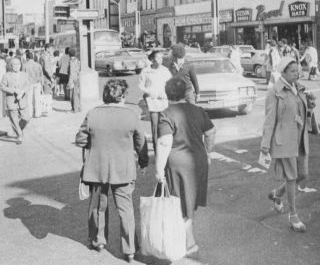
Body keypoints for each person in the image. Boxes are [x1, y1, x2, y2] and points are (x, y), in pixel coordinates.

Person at [75, 79, 149, 263]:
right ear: (122, 96)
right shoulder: (131, 115)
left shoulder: (93, 114)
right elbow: (141, 142)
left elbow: (80, 140)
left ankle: (98, 241)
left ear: (105, 95)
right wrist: (143, 162)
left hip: (97, 168)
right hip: (123, 169)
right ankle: (130, 249)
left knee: (98, 206)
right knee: (125, 209)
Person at [155, 77, 216, 257]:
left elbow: (165, 142)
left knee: (179, 202)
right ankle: (186, 238)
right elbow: (211, 133)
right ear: (185, 93)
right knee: (189, 202)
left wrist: (159, 169)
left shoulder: (166, 113)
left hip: (177, 164)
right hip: (198, 161)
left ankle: (188, 242)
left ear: (167, 94)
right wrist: (208, 151)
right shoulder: (198, 110)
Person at [260, 57, 312, 233]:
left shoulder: (298, 87)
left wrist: (310, 105)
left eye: (298, 70)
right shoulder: (274, 92)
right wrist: (265, 144)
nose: (297, 73)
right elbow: (269, 120)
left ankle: (276, 194)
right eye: (293, 71)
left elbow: (303, 111)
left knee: (302, 175)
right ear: (283, 73)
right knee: (291, 177)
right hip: (283, 139)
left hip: (299, 137)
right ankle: (293, 215)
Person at [139, 49, 172, 147]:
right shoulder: (146, 71)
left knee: (165, 124)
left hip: (163, 101)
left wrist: (166, 93)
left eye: (162, 58)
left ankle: (165, 146)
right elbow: (141, 86)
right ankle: (156, 147)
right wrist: (149, 92)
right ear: (152, 60)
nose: (161, 60)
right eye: (158, 58)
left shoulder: (165, 70)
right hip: (152, 101)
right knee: (154, 125)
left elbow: (170, 84)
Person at [0, 57, 31, 144]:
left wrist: (22, 91)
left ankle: (18, 129)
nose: (17, 66)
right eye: (14, 65)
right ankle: (19, 135)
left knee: (26, 118)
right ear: (11, 66)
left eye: (18, 64)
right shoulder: (6, 75)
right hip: (11, 100)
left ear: (20, 65)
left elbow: (28, 85)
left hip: (22, 100)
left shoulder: (24, 74)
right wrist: (13, 90)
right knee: (14, 119)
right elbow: (2, 87)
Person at [23, 50, 43, 118]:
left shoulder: (25, 65)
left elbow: (23, 75)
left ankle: (30, 113)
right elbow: (41, 75)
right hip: (37, 83)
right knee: (37, 99)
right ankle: (38, 113)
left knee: (29, 99)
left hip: (29, 84)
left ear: (27, 58)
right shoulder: (38, 65)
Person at [66, 48, 83, 113]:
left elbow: (71, 72)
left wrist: (69, 82)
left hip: (73, 80)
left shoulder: (71, 61)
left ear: (69, 54)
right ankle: (78, 108)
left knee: (72, 95)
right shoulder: (78, 60)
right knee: (77, 94)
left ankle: (74, 109)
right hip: (77, 79)